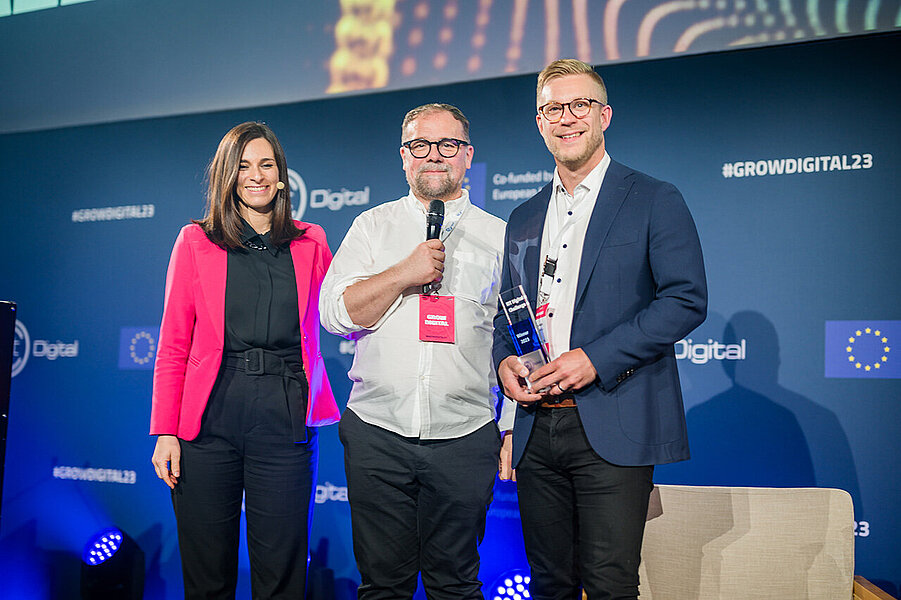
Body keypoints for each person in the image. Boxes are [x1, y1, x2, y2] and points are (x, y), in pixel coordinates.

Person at [493, 59, 707, 599]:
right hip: (536, 425)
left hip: (614, 418)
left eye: (579, 105)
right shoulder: (523, 216)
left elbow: (685, 300)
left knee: (611, 585)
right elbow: (508, 311)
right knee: (550, 585)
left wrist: (595, 358)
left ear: (604, 115)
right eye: (552, 109)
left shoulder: (653, 197)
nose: (566, 118)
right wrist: (504, 362)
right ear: (539, 122)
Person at [320, 103, 513, 599]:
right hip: (377, 432)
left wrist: (511, 424)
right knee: (384, 586)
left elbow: (516, 338)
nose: (434, 155)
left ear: (467, 155)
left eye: (447, 144)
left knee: (456, 585)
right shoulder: (372, 226)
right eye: (420, 145)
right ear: (404, 156)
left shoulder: (499, 236)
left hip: (465, 435)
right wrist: (404, 273)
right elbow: (336, 314)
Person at [149, 121, 340, 599]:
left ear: (281, 175)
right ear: (227, 176)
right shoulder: (196, 240)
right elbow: (173, 343)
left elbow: (344, 313)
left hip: (286, 413)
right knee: (207, 575)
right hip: (209, 418)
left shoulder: (311, 240)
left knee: (282, 575)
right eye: (243, 166)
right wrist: (165, 431)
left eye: (266, 165)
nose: (256, 176)